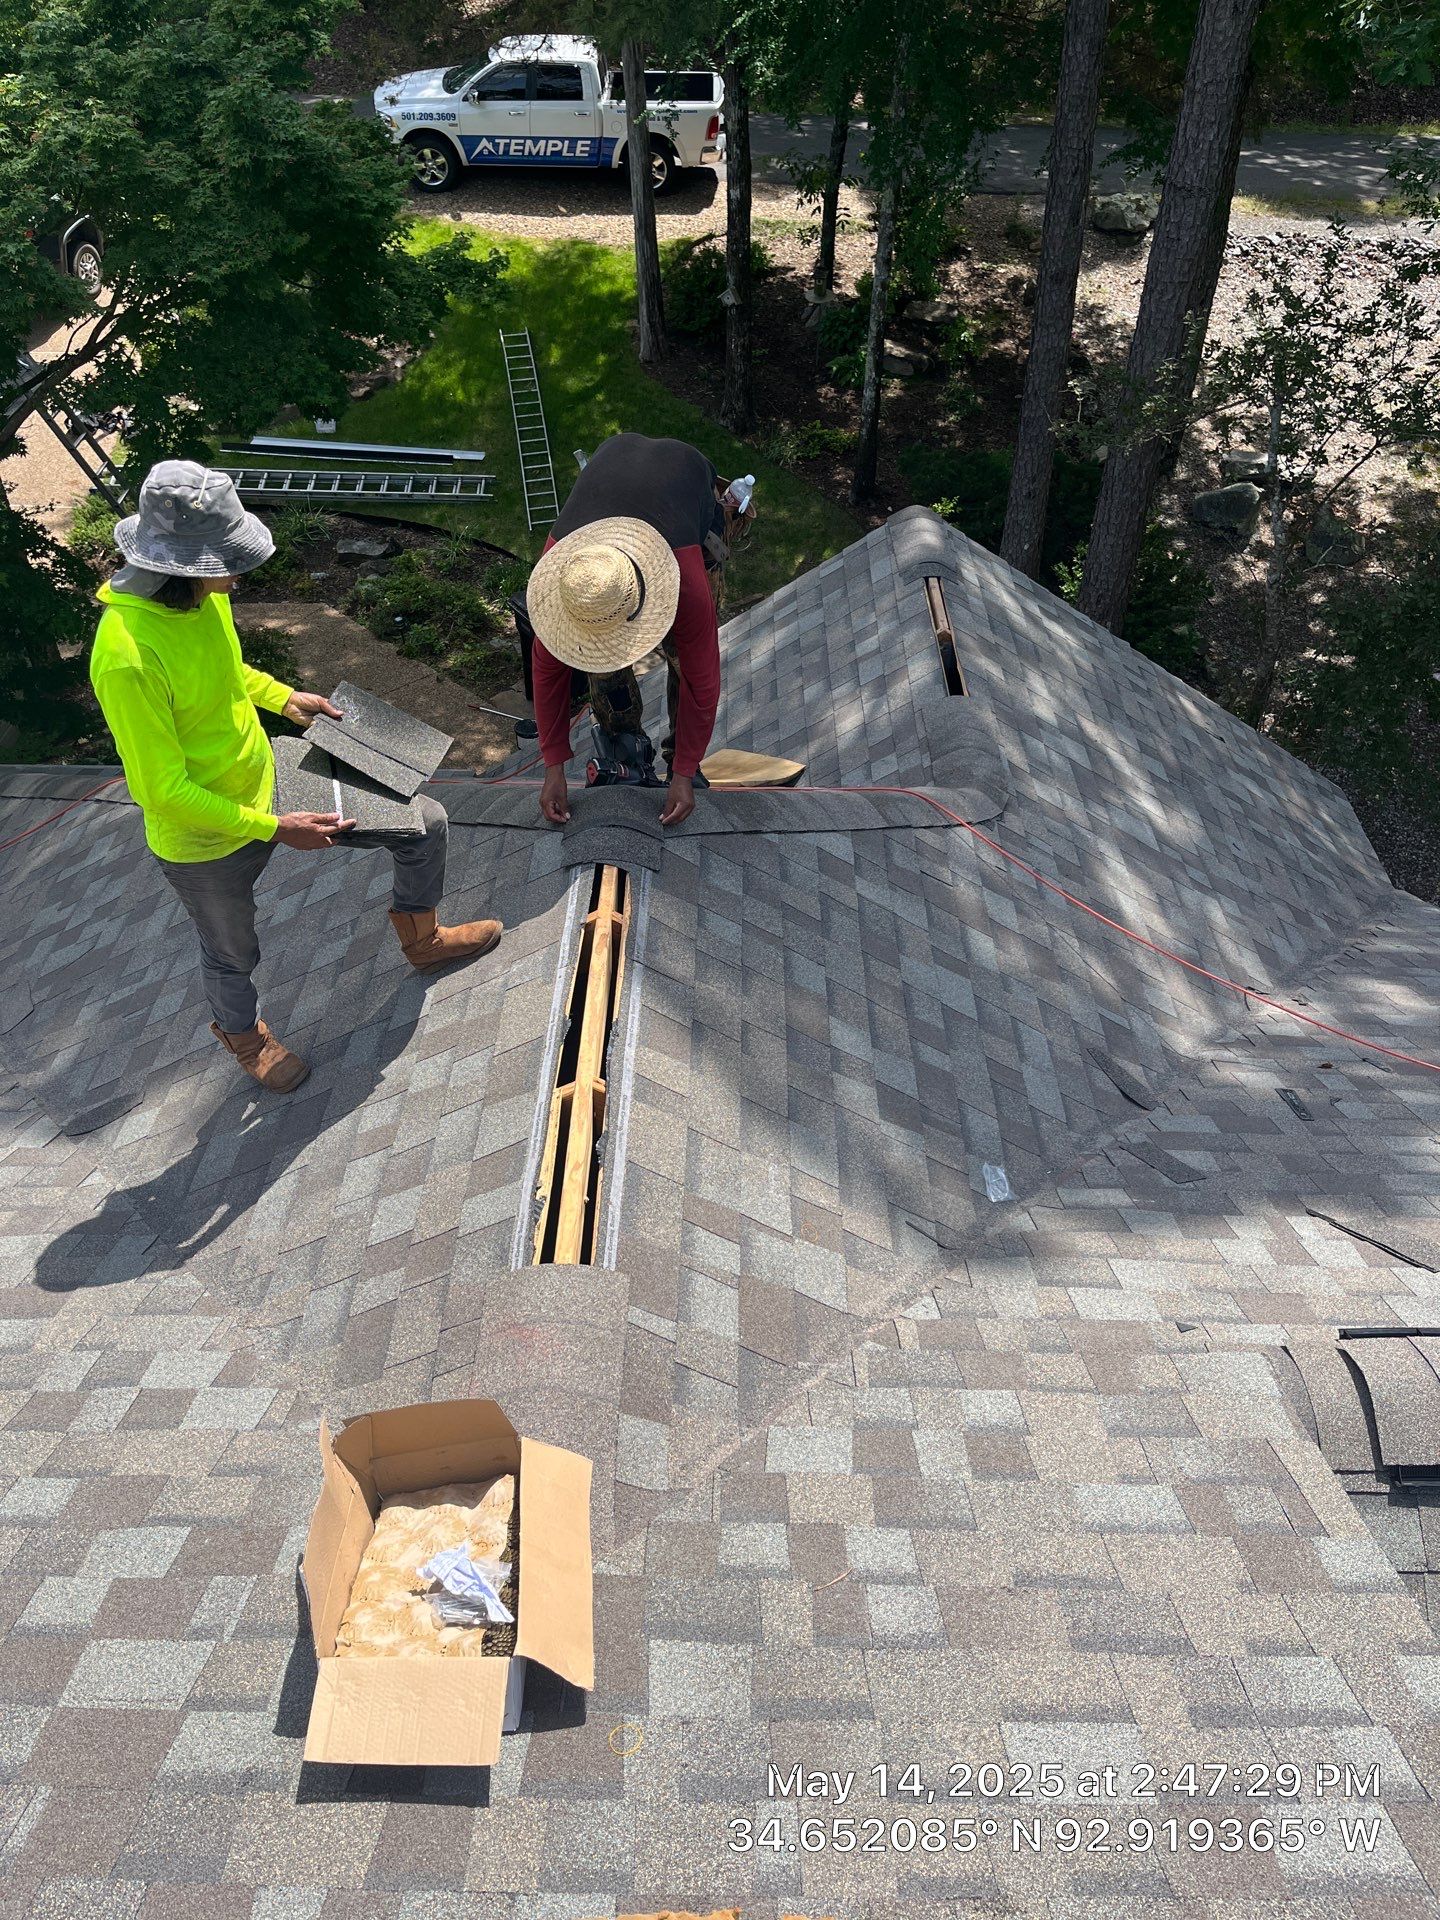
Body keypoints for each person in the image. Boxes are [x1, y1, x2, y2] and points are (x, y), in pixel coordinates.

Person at [88, 460, 503, 1095]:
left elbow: (225, 676)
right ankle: (244, 1038)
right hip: (205, 841)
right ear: (180, 567)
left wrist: (284, 698)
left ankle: (424, 940)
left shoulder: (201, 599)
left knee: (425, 823)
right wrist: (276, 830)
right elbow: (159, 790)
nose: (235, 575)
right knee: (232, 957)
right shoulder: (126, 655)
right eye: (224, 561)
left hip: (267, 780)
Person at [526, 433, 740, 829]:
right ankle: (626, 752)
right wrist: (553, 768)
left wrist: (683, 772)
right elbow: (547, 674)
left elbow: (703, 682)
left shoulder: (685, 581)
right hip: (616, 455)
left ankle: (680, 759)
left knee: (684, 660)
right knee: (600, 667)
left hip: (687, 477)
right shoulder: (568, 578)